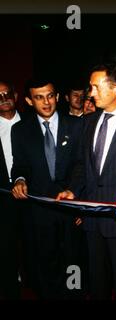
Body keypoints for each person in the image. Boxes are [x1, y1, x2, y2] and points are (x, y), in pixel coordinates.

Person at [57, 61, 116, 299]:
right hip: (92, 221)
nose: (91, 94)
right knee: (97, 285)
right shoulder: (88, 122)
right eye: (90, 88)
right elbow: (83, 165)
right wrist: (72, 190)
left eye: (96, 87)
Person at [11, 78, 85, 299]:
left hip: (69, 206)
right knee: (46, 260)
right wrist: (19, 180)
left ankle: (75, 295)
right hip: (39, 209)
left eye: (50, 96)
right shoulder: (20, 130)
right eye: (39, 97)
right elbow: (20, 164)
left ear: (58, 97)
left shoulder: (76, 125)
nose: (46, 102)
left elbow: (82, 165)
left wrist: (75, 193)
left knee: (74, 260)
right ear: (28, 101)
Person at [0, 81, 21, 299]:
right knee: (6, 250)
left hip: (33, 196)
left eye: (7, 93)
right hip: (3, 198)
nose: (3, 98)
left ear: (15, 95)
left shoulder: (32, 123)